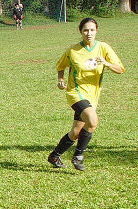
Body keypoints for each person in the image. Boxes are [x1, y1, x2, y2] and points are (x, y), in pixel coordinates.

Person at [47, 18, 124, 171]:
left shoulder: (103, 48)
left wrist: (106, 63)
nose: (89, 33)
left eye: (92, 30)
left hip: (92, 96)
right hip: (75, 93)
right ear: (80, 31)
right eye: (85, 30)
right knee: (93, 120)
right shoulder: (73, 50)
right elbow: (60, 66)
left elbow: (120, 69)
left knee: (76, 133)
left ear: (96, 31)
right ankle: (78, 156)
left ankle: (54, 155)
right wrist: (60, 79)